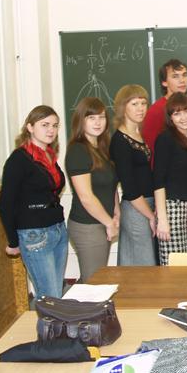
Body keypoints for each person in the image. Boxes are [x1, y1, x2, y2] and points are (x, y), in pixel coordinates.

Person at [0, 105, 68, 298]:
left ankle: (53, 320)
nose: (51, 130)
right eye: (44, 125)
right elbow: (5, 205)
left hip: (57, 229)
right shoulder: (19, 159)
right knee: (49, 296)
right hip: (34, 234)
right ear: (30, 127)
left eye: (55, 125)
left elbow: (50, 191)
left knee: (56, 294)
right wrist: (13, 241)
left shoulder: (49, 155)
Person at [65, 97, 120, 282]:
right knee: (93, 283)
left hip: (103, 222)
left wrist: (116, 213)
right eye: (91, 118)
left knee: (95, 279)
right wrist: (109, 223)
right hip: (87, 226)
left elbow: (111, 186)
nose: (98, 122)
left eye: (101, 117)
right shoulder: (78, 151)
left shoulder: (102, 148)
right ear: (81, 120)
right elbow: (86, 197)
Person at [110, 84, 156, 266]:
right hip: (136, 209)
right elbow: (129, 188)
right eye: (134, 104)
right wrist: (151, 216)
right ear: (123, 107)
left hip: (146, 205)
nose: (140, 108)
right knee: (143, 266)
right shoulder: (120, 141)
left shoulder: (138, 134)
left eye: (143, 103)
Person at [153, 93, 187, 266]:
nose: (183, 118)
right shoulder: (165, 139)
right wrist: (163, 220)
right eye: (177, 113)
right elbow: (158, 181)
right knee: (173, 265)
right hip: (173, 210)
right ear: (170, 118)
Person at [142, 59, 187, 159]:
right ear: (164, 82)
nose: (182, 80)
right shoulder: (157, 110)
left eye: (184, 75)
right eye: (175, 76)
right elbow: (150, 148)